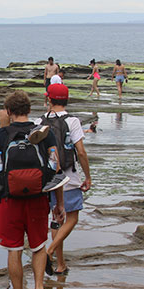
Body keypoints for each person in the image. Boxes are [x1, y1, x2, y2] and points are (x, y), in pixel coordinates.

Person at [0, 91, 64, 289]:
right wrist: (59, 203)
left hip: (9, 199)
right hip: (38, 198)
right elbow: (56, 168)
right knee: (38, 247)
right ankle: (38, 288)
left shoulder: (0, 136)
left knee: (14, 250)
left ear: (8, 111)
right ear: (28, 109)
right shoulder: (44, 133)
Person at [36, 84, 92, 276]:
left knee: (56, 219)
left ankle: (60, 264)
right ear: (67, 100)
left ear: (49, 99)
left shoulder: (39, 121)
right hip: (68, 176)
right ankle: (49, 252)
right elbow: (81, 152)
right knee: (72, 218)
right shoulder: (73, 121)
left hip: (47, 179)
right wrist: (88, 176)